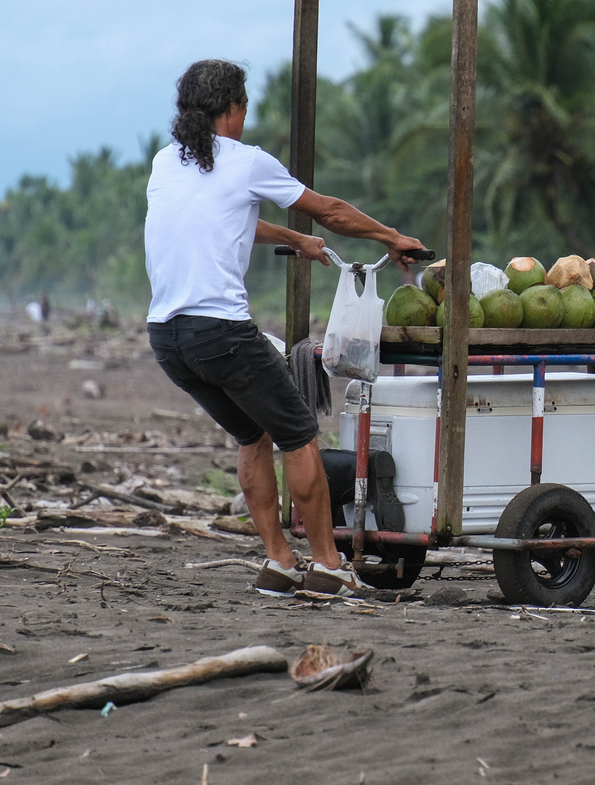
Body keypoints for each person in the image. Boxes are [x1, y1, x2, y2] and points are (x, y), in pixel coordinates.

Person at [144, 59, 425, 598]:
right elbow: (332, 211)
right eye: (244, 108)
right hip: (220, 332)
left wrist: (295, 241)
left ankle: (278, 562)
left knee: (252, 434)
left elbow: (224, 220)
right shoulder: (247, 162)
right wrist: (391, 236)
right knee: (299, 435)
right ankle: (327, 567)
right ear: (233, 109)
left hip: (168, 338)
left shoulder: (165, 162)